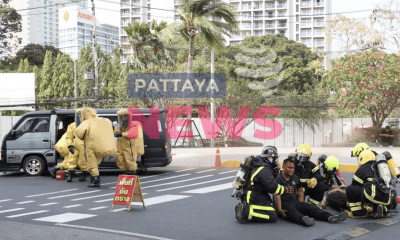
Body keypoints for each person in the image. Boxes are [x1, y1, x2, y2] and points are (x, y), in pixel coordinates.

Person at [275, 158, 348, 226]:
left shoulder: (295, 178)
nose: (292, 170)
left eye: (293, 168)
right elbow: (277, 196)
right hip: (283, 203)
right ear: (283, 167)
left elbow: (300, 192)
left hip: (294, 201)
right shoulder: (278, 179)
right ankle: (303, 219)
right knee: (292, 210)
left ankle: (329, 216)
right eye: (289, 168)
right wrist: (279, 209)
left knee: (311, 207)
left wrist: (301, 205)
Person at [235, 146, 293, 224]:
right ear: (270, 158)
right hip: (253, 197)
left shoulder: (260, 165)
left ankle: (244, 208)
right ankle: (245, 211)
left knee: (271, 208)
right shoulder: (264, 170)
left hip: (253, 195)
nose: (276, 161)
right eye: (275, 159)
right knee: (272, 215)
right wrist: (286, 189)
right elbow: (273, 188)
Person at [75, 107, 117, 187]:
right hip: (102, 146)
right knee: (96, 163)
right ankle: (94, 178)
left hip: (91, 147)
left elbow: (79, 133)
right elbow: (113, 131)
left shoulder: (88, 122)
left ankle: (95, 180)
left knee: (92, 163)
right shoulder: (105, 121)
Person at [346, 149, 391, 219]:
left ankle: (359, 213)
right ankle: (381, 209)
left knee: (350, 189)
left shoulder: (363, 168)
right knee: (376, 194)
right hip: (386, 196)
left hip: (372, 194)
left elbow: (354, 184)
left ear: (361, 158)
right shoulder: (379, 167)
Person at [113, 109, 144, 175]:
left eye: (124, 117)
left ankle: (132, 172)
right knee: (120, 159)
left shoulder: (134, 124)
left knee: (130, 159)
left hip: (129, 146)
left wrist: (122, 134)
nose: (122, 119)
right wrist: (115, 131)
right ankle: (124, 171)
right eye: (120, 117)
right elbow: (116, 131)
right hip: (120, 146)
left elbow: (133, 133)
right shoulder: (120, 126)